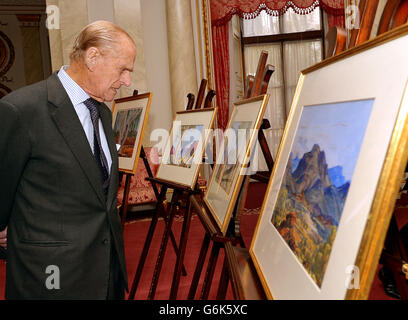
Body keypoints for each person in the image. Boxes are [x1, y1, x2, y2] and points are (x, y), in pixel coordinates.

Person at [0, 20, 136, 299]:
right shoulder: (21, 110)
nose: (127, 81)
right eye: (123, 69)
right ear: (93, 57)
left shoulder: (104, 114)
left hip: (106, 276)